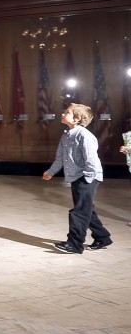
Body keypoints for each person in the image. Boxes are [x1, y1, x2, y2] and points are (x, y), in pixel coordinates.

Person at [42, 103, 113, 253]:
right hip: (77, 177)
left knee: (79, 211)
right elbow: (60, 158)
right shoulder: (66, 134)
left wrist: (86, 180)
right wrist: (51, 172)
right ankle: (102, 237)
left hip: (88, 177)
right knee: (86, 209)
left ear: (77, 118)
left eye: (67, 112)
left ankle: (74, 244)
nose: (62, 114)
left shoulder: (84, 136)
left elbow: (91, 161)